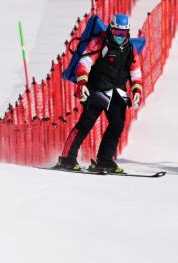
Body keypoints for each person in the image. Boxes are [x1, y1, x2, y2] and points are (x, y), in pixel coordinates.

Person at [54, 14, 143, 174]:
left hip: (117, 92)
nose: (119, 37)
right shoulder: (99, 42)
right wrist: (82, 83)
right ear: (110, 29)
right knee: (86, 123)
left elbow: (135, 73)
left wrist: (136, 90)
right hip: (96, 88)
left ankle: (104, 160)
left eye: (123, 34)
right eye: (116, 32)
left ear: (128, 33)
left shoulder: (131, 49)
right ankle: (67, 158)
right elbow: (85, 62)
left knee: (117, 125)